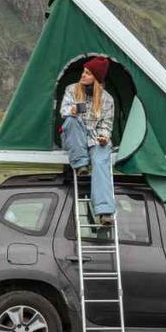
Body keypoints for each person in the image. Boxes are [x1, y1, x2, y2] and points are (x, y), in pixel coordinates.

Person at [59, 56, 116, 224]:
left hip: (95, 140)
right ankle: (81, 163)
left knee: (100, 162)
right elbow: (63, 111)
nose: (83, 75)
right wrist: (74, 110)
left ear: (96, 79)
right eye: (83, 72)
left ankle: (104, 211)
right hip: (74, 137)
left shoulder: (107, 99)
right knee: (71, 120)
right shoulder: (71, 90)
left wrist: (104, 136)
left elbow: (106, 124)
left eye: (88, 73)